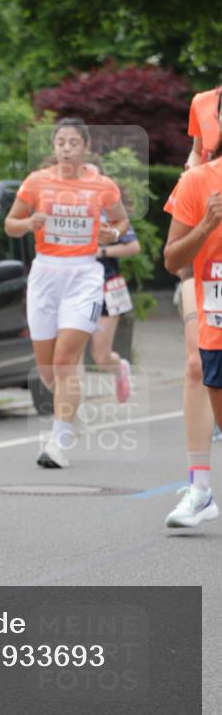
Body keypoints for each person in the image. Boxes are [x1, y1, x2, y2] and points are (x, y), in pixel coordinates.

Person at [4, 119, 129, 469]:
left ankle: (59, 441)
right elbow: (11, 224)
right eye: (61, 142)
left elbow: (121, 224)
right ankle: (69, 403)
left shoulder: (102, 185)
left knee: (64, 361)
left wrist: (111, 233)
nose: (67, 148)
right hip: (45, 273)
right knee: (48, 370)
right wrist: (30, 223)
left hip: (85, 274)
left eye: (73, 143)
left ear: (85, 147)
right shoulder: (36, 182)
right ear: (54, 146)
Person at [163, 92, 222, 528]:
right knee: (195, 364)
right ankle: (200, 487)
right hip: (206, 257)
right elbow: (198, 154)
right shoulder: (205, 101)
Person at [90, 215, 140, 402]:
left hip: (107, 289)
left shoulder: (108, 214)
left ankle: (120, 369)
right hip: (73, 289)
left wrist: (101, 251)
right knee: (71, 354)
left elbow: (133, 246)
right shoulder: (66, 207)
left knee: (101, 358)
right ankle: (70, 412)